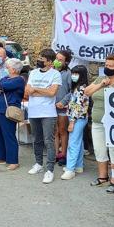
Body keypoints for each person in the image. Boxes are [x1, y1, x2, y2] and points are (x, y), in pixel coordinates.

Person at [84, 54, 114, 193]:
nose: (107, 68)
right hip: (98, 121)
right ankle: (102, 177)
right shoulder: (101, 79)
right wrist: (101, 84)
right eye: (106, 65)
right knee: (99, 149)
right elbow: (87, 92)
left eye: (111, 66)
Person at [26, 48, 62, 184]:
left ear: (50, 62)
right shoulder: (33, 73)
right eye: (39, 58)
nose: (39, 60)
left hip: (48, 113)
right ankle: (38, 164)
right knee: (37, 139)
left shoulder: (55, 74)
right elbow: (28, 91)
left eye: (42, 59)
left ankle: (50, 170)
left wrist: (36, 89)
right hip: (34, 111)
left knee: (49, 140)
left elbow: (52, 92)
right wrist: (41, 91)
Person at [0, 58, 25, 171]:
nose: (6, 69)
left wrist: (0, 86)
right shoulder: (6, 78)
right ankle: (1, 156)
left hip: (7, 111)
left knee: (9, 134)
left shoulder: (19, 80)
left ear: (14, 70)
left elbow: (2, 86)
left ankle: (13, 160)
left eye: (8, 67)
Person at [59, 65, 90, 180]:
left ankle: (70, 169)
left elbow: (79, 107)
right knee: (78, 142)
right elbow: (76, 103)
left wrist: (72, 122)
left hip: (77, 118)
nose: (73, 76)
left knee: (73, 143)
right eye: (73, 73)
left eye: (76, 74)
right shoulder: (77, 87)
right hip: (77, 117)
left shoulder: (82, 88)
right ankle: (78, 165)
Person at [53, 50, 73, 166]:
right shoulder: (52, 72)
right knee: (55, 132)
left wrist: (63, 101)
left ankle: (63, 154)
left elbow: (72, 90)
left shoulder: (69, 74)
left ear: (66, 62)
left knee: (62, 131)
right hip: (51, 107)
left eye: (60, 60)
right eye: (57, 58)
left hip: (63, 107)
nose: (57, 61)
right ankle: (55, 153)